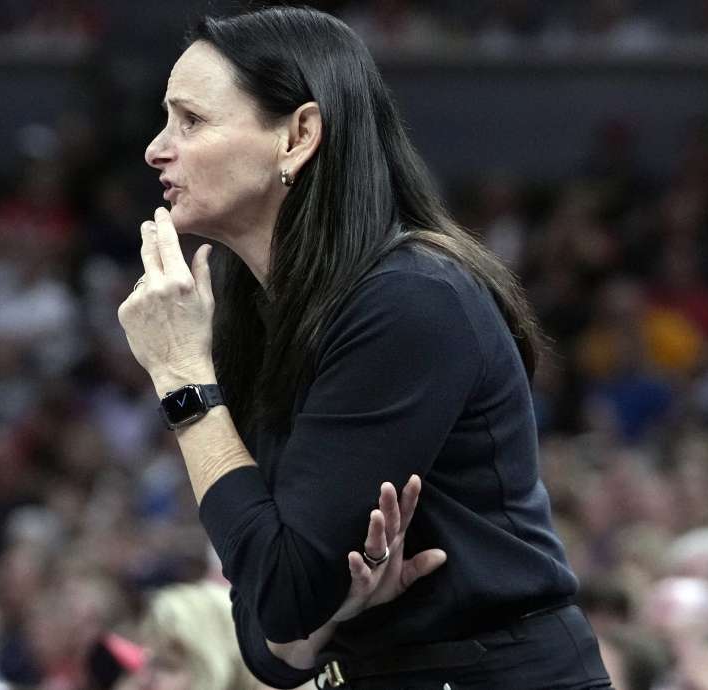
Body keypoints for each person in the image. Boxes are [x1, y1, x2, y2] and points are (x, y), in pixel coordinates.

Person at [116, 6, 611, 689]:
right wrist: (322, 618)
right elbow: (268, 631)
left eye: (190, 120)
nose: (156, 148)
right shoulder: (248, 303)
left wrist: (181, 379)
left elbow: (281, 592)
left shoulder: (409, 298)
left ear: (298, 135)